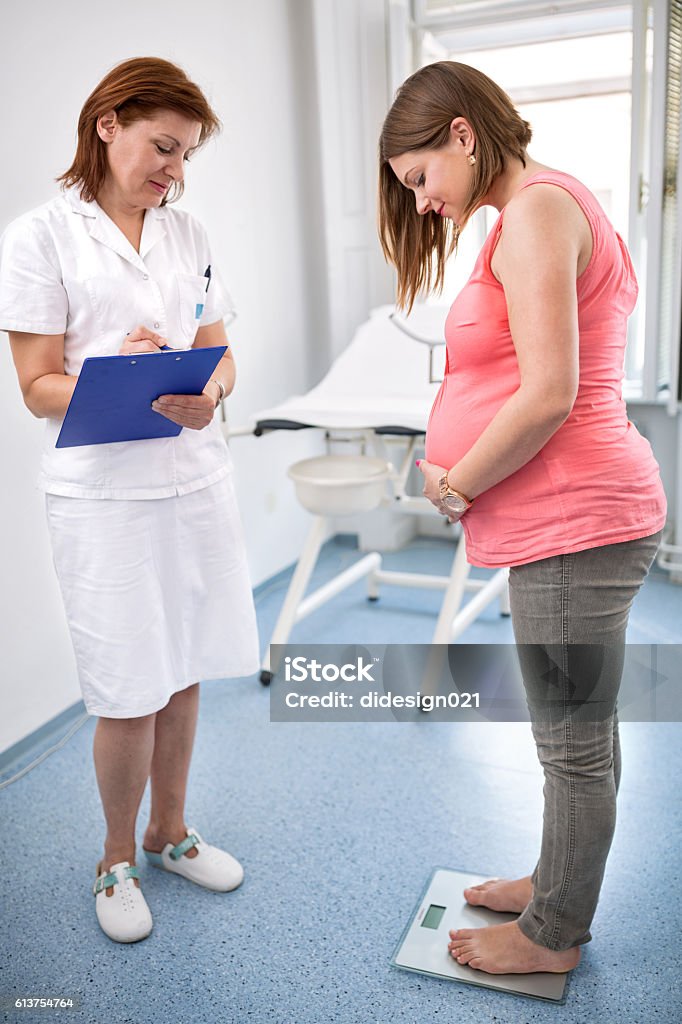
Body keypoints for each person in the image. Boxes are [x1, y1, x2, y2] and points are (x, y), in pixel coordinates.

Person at [378, 61, 666, 975]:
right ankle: (556, 879)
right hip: (573, 519)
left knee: (571, 747)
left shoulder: (538, 209)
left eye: (421, 178)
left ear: (462, 135)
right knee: (583, 731)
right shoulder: (542, 206)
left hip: (575, 524)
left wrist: (457, 480)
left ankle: (552, 938)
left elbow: (547, 395)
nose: (422, 203)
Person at [0, 57, 260, 944]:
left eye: (185, 157)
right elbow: (37, 385)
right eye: (163, 147)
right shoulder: (39, 236)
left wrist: (210, 390)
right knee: (125, 686)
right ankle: (115, 857)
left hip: (193, 478)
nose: (173, 172)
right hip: (103, 496)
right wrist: (121, 377)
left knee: (183, 666)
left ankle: (170, 831)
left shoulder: (185, 233)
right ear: (108, 122)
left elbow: (222, 355)